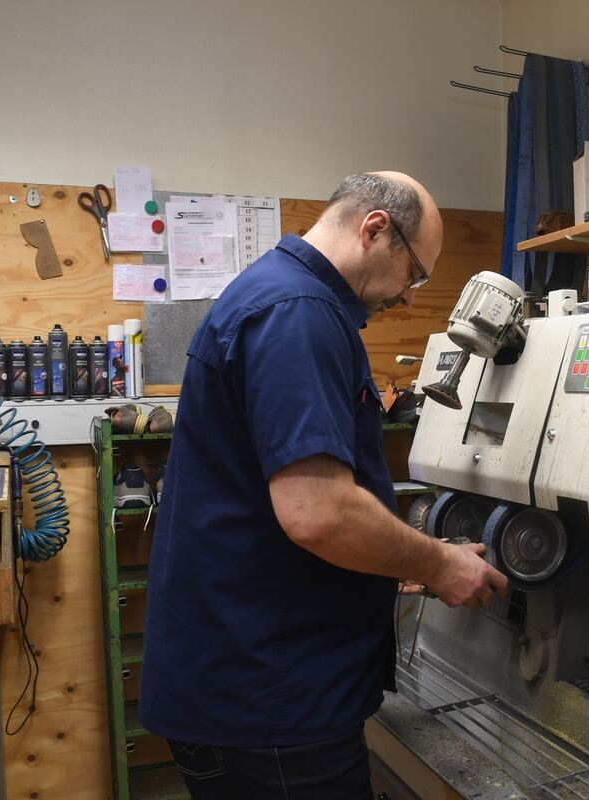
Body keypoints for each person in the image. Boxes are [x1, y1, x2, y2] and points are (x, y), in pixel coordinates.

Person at [140, 172, 509, 799]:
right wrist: (439, 562)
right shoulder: (299, 315)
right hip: (272, 706)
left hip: (248, 687)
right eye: (415, 274)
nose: (410, 298)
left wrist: (392, 561)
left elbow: (278, 508)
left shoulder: (277, 296)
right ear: (375, 230)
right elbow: (318, 512)